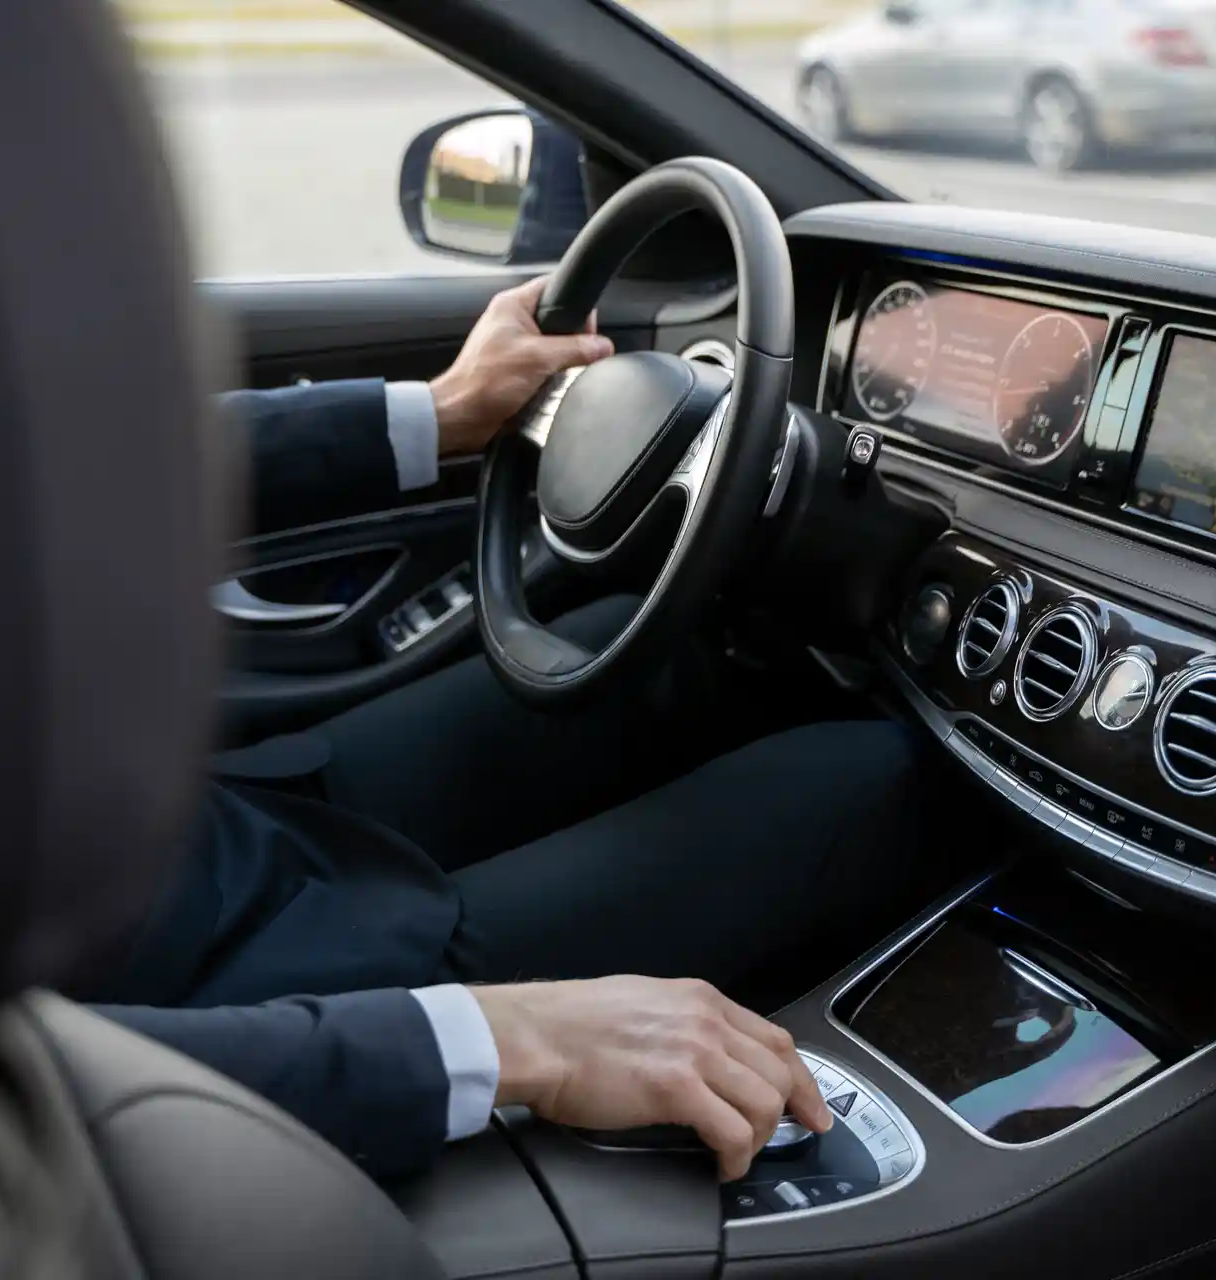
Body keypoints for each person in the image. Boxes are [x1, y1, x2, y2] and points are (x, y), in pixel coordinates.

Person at [82, 276, 925, 1183]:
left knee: (668, 656)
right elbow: (14, 1091)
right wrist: (512, 1040)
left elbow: (35, 474)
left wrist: (442, 412)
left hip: (208, 823)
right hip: (249, 1009)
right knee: (885, 776)